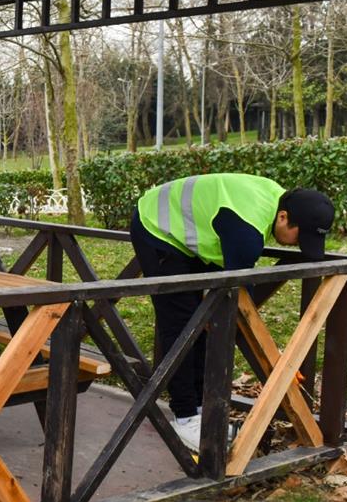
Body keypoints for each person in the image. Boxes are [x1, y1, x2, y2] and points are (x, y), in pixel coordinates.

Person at [130, 173, 335, 451]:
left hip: (191, 235)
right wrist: (278, 362)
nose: (298, 245)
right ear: (284, 217)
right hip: (155, 227)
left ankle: (200, 408)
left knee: (201, 323)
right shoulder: (246, 229)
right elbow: (237, 303)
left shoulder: (275, 199)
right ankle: (185, 417)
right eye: (300, 237)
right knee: (181, 326)